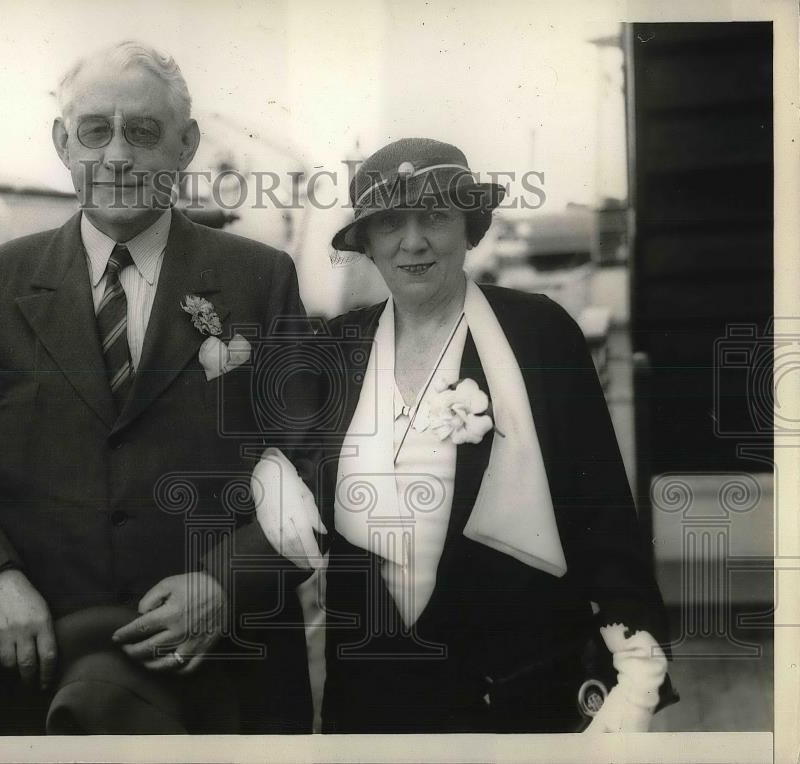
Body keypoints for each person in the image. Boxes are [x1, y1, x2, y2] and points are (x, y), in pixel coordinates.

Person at [0, 40, 312, 734]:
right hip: (46, 671)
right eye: (95, 130)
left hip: (226, 670)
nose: (119, 155)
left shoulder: (262, 278)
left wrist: (225, 585)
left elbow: (313, 465)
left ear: (186, 145)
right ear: (63, 143)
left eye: (145, 131)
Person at [252, 137, 676, 733]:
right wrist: (269, 467)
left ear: (469, 226)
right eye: (390, 222)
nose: (414, 240)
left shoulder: (538, 333)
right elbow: (280, 452)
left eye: (436, 215)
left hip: (514, 698)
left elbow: (600, 509)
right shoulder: (335, 348)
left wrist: (636, 665)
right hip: (372, 702)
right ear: (367, 244)